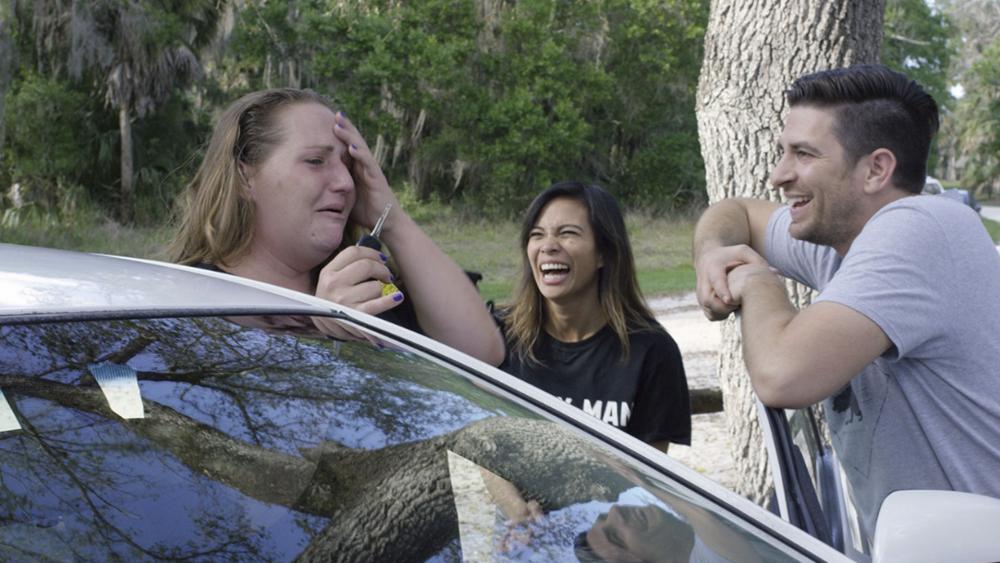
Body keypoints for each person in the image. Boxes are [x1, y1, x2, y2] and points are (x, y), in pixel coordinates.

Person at [692, 64, 1000, 539]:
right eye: (784, 152)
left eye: (803, 154)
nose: (778, 175)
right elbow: (736, 212)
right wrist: (713, 251)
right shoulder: (846, 241)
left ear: (876, 169)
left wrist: (757, 281)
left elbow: (782, 375)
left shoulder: (919, 229)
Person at [169, 88, 504, 366]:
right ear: (245, 177)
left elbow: (482, 353)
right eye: (316, 161)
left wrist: (392, 220)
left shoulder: (368, 285)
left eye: (349, 166)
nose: (345, 182)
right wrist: (318, 330)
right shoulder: (184, 308)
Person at [499, 181, 691, 451]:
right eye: (537, 234)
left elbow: (649, 467)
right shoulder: (500, 337)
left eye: (567, 233)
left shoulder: (652, 351)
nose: (548, 246)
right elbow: (490, 450)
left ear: (604, 253)